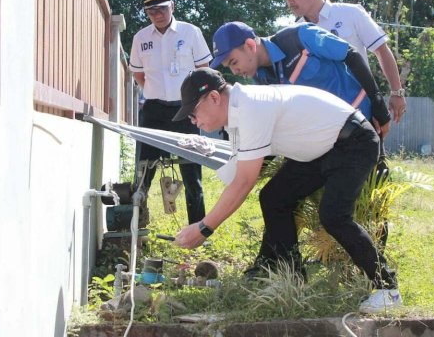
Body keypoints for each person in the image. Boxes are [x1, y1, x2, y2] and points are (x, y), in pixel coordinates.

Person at [172, 68, 402, 313]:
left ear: (214, 98)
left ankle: (388, 288)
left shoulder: (251, 107)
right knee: (274, 198)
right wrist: (205, 151)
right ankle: (295, 279)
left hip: (354, 143)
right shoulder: (237, 117)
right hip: (323, 148)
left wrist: (205, 227)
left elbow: (244, 182)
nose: (193, 121)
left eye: (193, 112)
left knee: (334, 216)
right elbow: (234, 176)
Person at [209, 21, 391, 137]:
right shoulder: (259, 77)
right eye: (229, 67)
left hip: (363, 120)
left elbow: (350, 55)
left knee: (374, 188)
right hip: (326, 137)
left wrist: (377, 102)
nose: (234, 70)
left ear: (250, 45)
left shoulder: (299, 37)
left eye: (234, 62)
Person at [276, 0, 407, 124]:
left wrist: (396, 92)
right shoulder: (295, 32)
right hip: (322, 117)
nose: (290, 2)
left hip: (361, 108)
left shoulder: (350, 14)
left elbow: (381, 51)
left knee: (371, 148)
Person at [128, 0, 212, 224]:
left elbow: (203, 70)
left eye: (162, 8)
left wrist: (197, 103)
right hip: (154, 111)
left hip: (185, 111)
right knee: (144, 170)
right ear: (146, 13)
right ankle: (138, 223)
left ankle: (198, 228)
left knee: (191, 172)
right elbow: (138, 74)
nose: (157, 14)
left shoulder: (190, 32)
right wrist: (153, 92)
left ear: (172, 6)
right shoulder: (140, 38)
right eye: (151, 11)